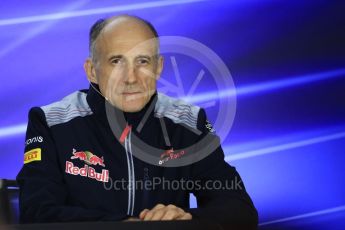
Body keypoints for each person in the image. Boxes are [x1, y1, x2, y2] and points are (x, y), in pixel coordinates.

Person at [16, 15, 258, 227]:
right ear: (91, 70)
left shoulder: (189, 122)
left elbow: (240, 210)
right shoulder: (50, 121)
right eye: (116, 61)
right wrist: (130, 226)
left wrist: (183, 220)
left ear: (159, 67)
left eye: (142, 61)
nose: (130, 78)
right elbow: (36, 212)